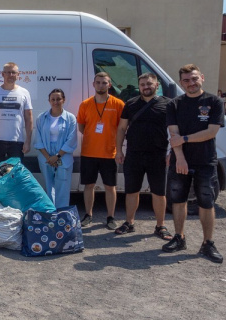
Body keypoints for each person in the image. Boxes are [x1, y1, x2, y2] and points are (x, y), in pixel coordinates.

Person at [163, 64, 224, 263]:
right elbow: (173, 133)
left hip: (206, 161)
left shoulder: (214, 102)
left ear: (202, 78)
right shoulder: (174, 104)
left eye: (194, 79)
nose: (191, 83)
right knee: (178, 201)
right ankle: (179, 237)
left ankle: (208, 243)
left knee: (206, 202)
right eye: (186, 80)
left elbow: (211, 132)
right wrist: (179, 157)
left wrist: (185, 139)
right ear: (181, 83)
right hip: (180, 162)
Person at [114, 73, 172, 238]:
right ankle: (129, 222)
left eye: (149, 83)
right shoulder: (130, 104)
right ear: (139, 87)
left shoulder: (168, 104)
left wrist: (172, 152)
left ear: (156, 85)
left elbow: (175, 131)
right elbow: (121, 129)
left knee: (159, 193)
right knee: (132, 191)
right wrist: (119, 150)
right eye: (143, 84)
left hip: (158, 155)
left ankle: (160, 226)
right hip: (134, 155)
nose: (146, 87)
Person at [77, 72, 124, 229]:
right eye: (98, 82)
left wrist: (118, 149)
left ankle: (110, 217)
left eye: (104, 83)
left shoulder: (118, 104)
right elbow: (82, 126)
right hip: (89, 152)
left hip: (109, 153)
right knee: (88, 186)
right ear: (93, 84)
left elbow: (122, 128)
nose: (101, 85)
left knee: (110, 187)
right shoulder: (85, 104)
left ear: (109, 85)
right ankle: (88, 215)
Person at [0, 62, 33, 169]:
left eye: (13, 72)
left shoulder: (24, 92)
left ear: (18, 75)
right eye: (8, 72)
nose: (11, 75)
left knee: (15, 175)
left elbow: (29, 119)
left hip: (17, 143)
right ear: (2, 74)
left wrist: (28, 141)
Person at [34, 88, 78, 209]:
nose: (55, 102)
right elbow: (38, 139)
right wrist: (49, 157)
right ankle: (50, 213)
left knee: (63, 186)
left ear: (63, 100)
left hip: (63, 155)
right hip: (45, 156)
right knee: (48, 186)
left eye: (58, 99)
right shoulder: (41, 118)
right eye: (53, 99)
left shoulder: (70, 118)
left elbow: (71, 140)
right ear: (49, 101)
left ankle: (61, 214)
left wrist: (57, 156)